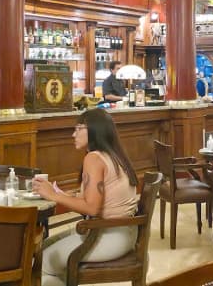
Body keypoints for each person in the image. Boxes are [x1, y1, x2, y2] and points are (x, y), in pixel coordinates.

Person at [34, 109, 140, 286]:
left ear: (93, 130)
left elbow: (92, 208)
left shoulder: (93, 158)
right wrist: (67, 195)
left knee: (44, 261)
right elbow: (99, 196)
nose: (73, 134)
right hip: (125, 233)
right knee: (42, 247)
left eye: (78, 128)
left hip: (110, 235)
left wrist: (53, 195)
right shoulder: (114, 154)